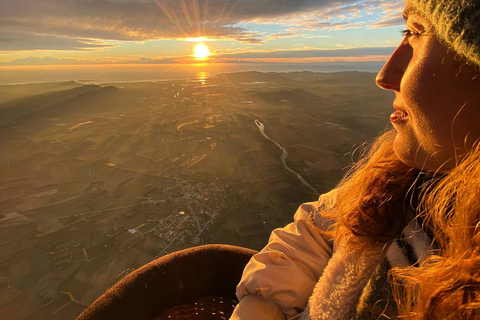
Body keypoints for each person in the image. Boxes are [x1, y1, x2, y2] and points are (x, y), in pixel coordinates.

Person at [230, 0, 480, 319]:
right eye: (405, 30)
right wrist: (261, 304)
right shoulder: (405, 177)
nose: (385, 76)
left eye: (418, 31)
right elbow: (319, 228)